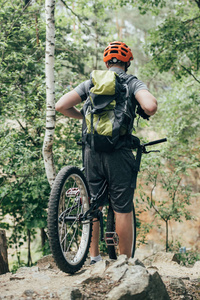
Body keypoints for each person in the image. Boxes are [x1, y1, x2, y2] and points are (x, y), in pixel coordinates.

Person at [55, 41, 157, 264]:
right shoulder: (131, 82)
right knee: (122, 207)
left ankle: (94, 258)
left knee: (92, 203)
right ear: (127, 62)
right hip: (119, 152)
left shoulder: (92, 82)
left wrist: (84, 117)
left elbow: (61, 105)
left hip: (91, 151)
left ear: (106, 62)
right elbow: (150, 107)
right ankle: (124, 262)